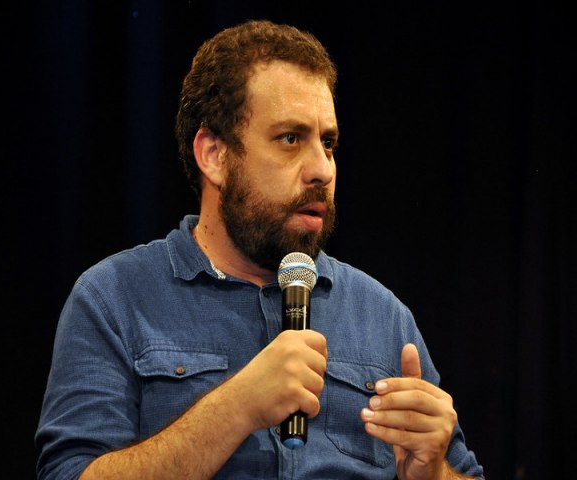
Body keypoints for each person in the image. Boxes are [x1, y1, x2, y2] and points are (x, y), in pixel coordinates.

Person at [35, 19, 484, 479]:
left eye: (328, 143)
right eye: (290, 139)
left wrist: (433, 472)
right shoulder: (114, 299)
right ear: (214, 155)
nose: (322, 170)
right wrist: (237, 407)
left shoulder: (384, 317)